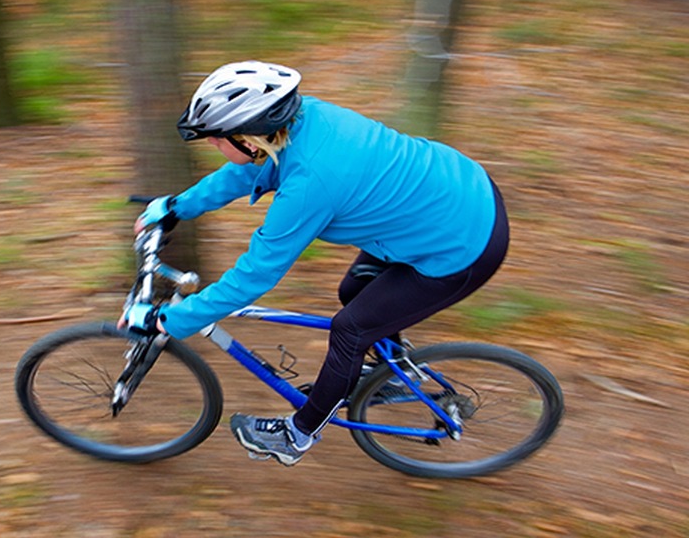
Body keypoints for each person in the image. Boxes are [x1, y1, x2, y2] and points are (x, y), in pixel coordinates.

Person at [122, 60, 509, 466]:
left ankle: (298, 435)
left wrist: (171, 320)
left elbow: (254, 276)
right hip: (451, 194)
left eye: (217, 139)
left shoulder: (311, 183)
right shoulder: (303, 121)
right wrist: (175, 208)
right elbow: (242, 175)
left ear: (249, 138)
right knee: (354, 291)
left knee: (350, 330)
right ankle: (396, 371)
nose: (212, 146)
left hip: (463, 245)